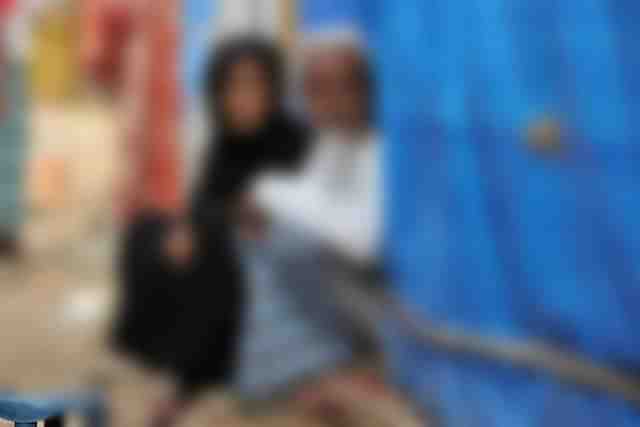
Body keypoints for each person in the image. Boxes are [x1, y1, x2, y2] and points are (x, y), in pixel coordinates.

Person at [112, 36, 309, 427]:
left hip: (269, 273)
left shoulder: (293, 142)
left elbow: (279, 220)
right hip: (221, 243)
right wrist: (187, 228)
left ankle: (193, 376)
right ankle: (158, 352)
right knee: (144, 231)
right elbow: (204, 199)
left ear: (273, 89)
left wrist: (207, 226)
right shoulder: (225, 141)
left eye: (254, 86)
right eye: (232, 87)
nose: (243, 98)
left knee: (213, 250)